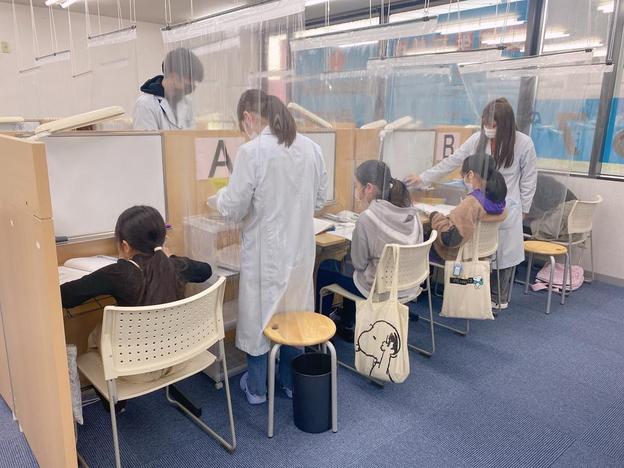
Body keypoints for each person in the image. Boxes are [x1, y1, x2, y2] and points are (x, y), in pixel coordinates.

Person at [215, 89, 328, 405]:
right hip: (301, 251)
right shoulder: (312, 149)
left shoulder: (252, 152)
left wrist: (218, 198)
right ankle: (291, 384)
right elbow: (320, 199)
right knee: (293, 315)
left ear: (248, 117)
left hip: (265, 254)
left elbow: (233, 207)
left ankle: (257, 390)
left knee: (259, 321)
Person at [406, 97, 537, 309]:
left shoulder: (524, 143)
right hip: (483, 206)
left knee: (502, 254)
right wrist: (423, 178)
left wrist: (524, 210)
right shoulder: (477, 140)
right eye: (485, 124)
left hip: (507, 205)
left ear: (505, 124)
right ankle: (478, 293)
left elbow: (529, 179)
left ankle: (497, 297)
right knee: (482, 253)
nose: (488, 129)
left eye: (492, 125)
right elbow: (452, 161)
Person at [61, 206, 212, 374]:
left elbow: (65, 297)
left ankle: (110, 390)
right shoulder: (177, 266)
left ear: (125, 246)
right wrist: (171, 257)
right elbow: (206, 271)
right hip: (179, 358)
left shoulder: (117, 273)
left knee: (99, 332)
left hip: (136, 370)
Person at [316, 160, 422, 340]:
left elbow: (359, 264)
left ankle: (321, 333)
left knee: (328, 266)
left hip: (380, 290)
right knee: (349, 266)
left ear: (369, 188)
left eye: (356, 185)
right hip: (408, 286)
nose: (355, 190)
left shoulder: (368, 218)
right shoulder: (412, 213)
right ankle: (347, 322)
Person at [427, 153, 508, 262]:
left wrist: (435, 216)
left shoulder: (471, 202)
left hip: (457, 257)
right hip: (480, 255)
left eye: (463, 176)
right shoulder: (499, 201)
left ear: (470, 175)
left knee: (424, 239)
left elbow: (450, 239)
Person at [133, 47, 204, 130]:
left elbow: (192, 134)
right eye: (190, 79)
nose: (192, 84)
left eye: (194, 80)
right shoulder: (145, 104)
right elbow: (147, 137)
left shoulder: (187, 102)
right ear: (173, 75)